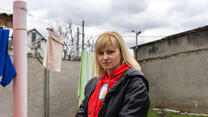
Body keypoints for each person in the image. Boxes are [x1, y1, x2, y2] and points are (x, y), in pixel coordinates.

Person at [76, 31, 150, 117]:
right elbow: (81, 113)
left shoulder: (135, 83)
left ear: (121, 53)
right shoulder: (92, 84)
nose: (105, 58)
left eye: (110, 52)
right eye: (100, 53)